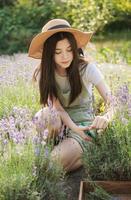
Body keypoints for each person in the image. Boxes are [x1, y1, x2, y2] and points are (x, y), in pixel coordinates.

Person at [28, 19, 114, 172]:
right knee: (45, 116)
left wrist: (106, 117)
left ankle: (78, 151)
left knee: (53, 164)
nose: (65, 56)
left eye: (69, 49)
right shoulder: (45, 73)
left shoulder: (86, 68)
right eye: (58, 52)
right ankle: (48, 149)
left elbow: (113, 101)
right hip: (60, 122)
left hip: (83, 124)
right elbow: (58, 109)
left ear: (74, 48)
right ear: (49, 53)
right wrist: (71, 126)